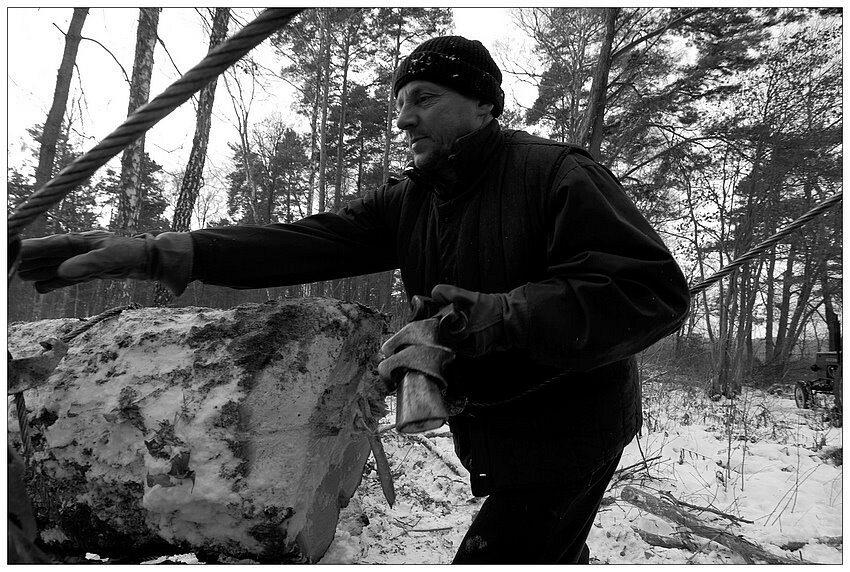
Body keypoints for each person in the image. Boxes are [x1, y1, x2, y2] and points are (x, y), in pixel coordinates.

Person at [18, 36, 690, 563]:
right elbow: (302, 243)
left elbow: (647, 290)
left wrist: (491, 318)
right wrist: (155, 253)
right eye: (400, 104)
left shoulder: (554, 174)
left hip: (571, 426)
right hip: (501, 430)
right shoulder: (414, 201)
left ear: (484, 104)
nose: (404, 118)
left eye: (424, 98)